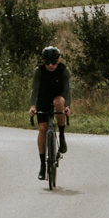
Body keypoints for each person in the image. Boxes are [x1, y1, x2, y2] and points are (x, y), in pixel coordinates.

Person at [29, 43, 71, 182]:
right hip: (43, 99)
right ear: (43, 61)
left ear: (58, 60)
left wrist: (67, 107)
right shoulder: (39, 71)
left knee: (59, 102)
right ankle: (42, 165)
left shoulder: (64, 70)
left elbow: (68, 91)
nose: (51, 66)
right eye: (47, 63)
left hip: (58, 97)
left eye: (53, 62)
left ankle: (62, 135)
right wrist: (33, 106)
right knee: (42, 128)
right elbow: (34, 90)